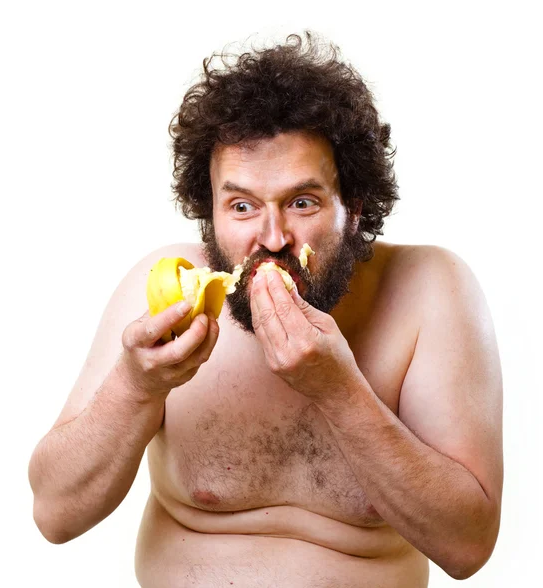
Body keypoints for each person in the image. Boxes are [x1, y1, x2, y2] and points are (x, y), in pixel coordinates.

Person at [28, 32, 503, 587]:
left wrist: (337, 389)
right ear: (209, 212)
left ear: (356, 207)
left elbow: (467, 547)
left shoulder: (431, 289)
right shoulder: (165, 291)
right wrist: (136, 386)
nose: (271, 237)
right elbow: (54, 515)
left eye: (302, 202)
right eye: (242, 206)